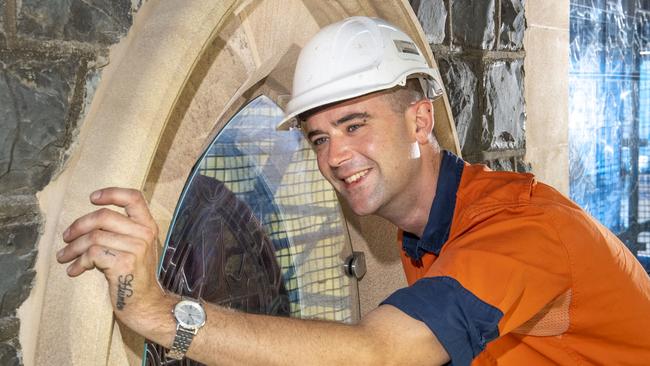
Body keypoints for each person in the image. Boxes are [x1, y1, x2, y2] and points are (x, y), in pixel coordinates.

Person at [58, 17, 650, 365]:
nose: (335, 157)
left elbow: (379, 355)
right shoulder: (425, 230)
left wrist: (160, 312)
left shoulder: (521, 230)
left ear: (421, 121)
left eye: (354, 125)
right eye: (317, 139)